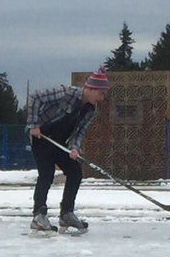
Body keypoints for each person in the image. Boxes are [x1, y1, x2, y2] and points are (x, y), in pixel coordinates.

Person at [26, 69, 111, 232]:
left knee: (75, 171)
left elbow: (79, 132)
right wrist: (33, 125)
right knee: (46, 173)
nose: (102, 98)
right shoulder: (66, 93)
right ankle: (38, 215)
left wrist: (74, 148)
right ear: (91, 89)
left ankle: (66, 213)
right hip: (41, 137)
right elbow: (35, 97)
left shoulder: (91, 110)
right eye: (101, 94)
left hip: (58, 142)